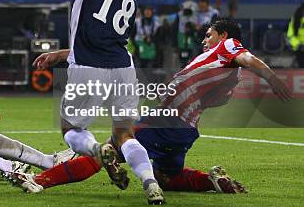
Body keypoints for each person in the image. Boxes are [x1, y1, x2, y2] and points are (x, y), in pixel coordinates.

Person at [21, 18, 291, 194]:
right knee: (167, 176)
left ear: (223, 34)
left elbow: (246, 57)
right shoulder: (228, 74)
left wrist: (272, 78)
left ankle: (41, 180)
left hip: (168, 121)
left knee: (107, 150)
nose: (204, 41)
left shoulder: (229, 46)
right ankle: (210, 181)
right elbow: (219, 98)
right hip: (185, 130)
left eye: (208, 35)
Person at [36, 0, 165, 204]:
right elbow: (107, 37)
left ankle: (98, 149)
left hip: (89, 67)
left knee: (71, 129)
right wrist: (61, 54)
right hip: (123, 67)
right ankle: (150, 183)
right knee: (125, 133)